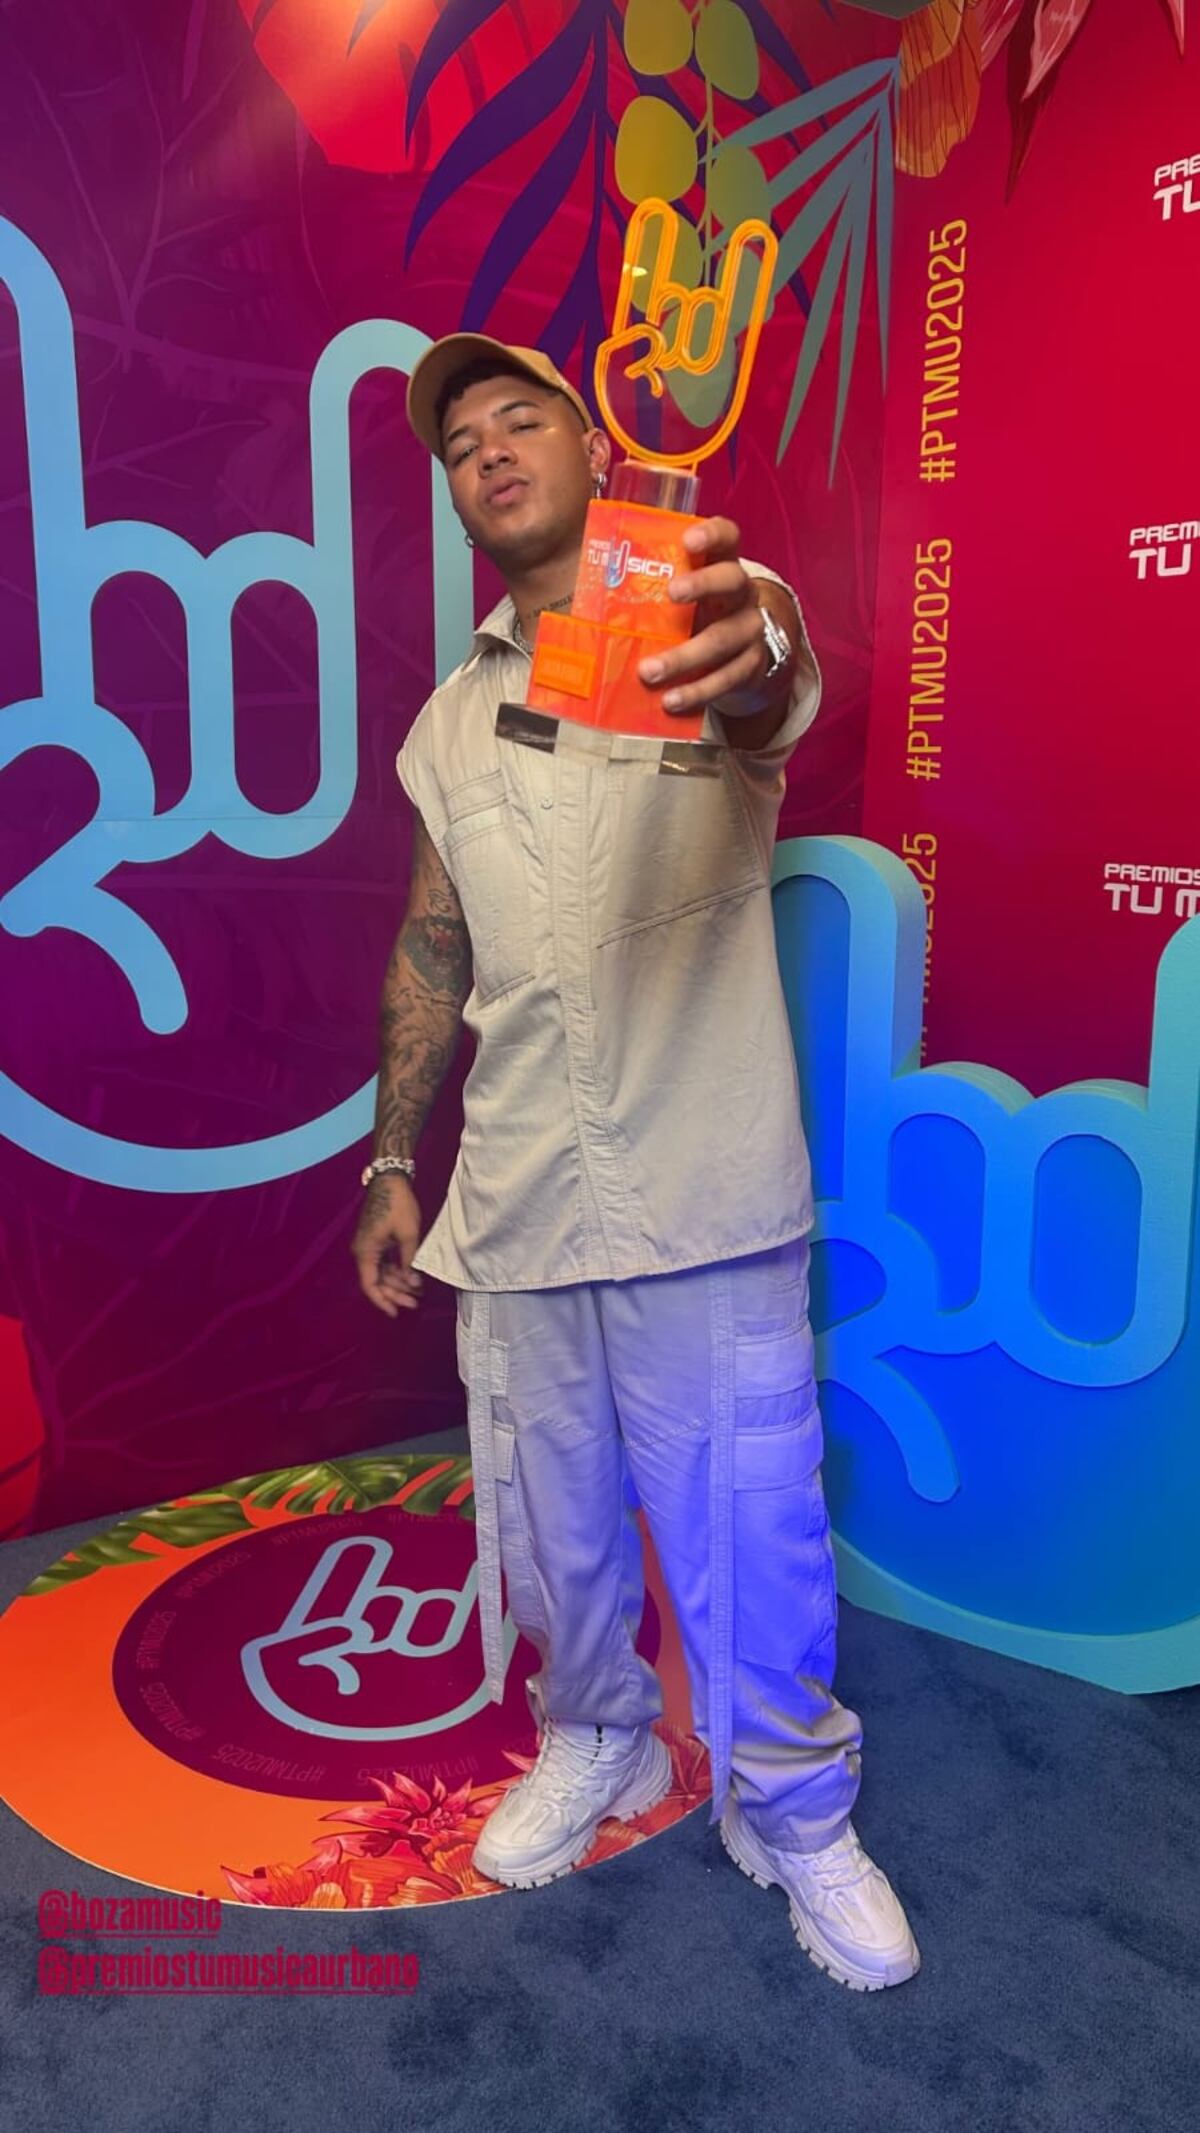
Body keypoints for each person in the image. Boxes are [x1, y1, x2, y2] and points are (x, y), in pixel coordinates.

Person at [352, 333, 919, 1992]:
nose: (489, 449)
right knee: (552, 1525)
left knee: (754, 1525)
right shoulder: (447, 724)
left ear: (593, 450)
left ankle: (794, 1811)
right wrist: (391, 1156)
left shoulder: (701, 615)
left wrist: (751, 643)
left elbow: (768, 678)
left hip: (701, 1184)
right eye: (461, 440)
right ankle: (593, 1732)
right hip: (518, 1193)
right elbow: (433, 939)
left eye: (520, 417)